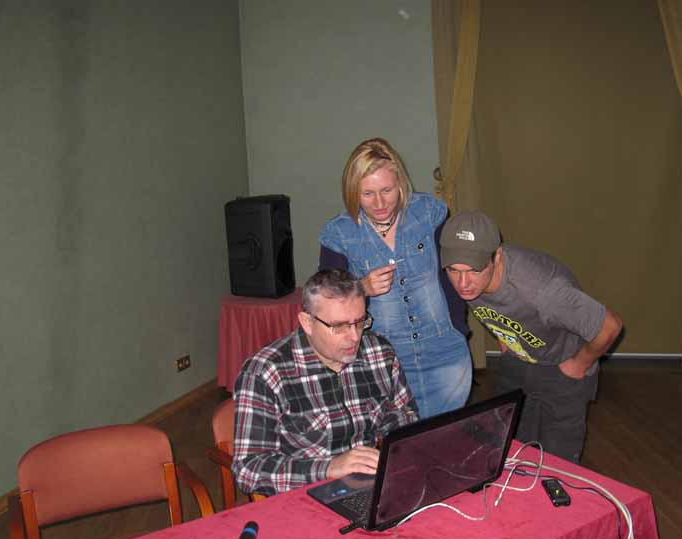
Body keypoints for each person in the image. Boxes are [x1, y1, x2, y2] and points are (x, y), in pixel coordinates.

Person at [439, 210, 623, 463]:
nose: (463, 283)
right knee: (512, 447)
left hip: (562, 366)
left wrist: (579, 364)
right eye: (453, 270)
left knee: (558, 464)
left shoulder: (544, 291)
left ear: (497, 257)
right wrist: (504, 338)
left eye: (474, 270)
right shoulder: (464, 274)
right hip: (519, 359)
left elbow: (610, 326)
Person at [318, 138, 472, 419]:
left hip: (445, 353)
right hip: (383, 363)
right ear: (352, 191)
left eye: (387, 190)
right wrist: (360, 288)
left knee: (445, 435)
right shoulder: (338, 234)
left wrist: (458, 327)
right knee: (400, 441)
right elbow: (325, 300)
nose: (379, 203)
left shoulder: (429, 213)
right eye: (367, 194)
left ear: (400, 182)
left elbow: (453, 274)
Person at [231, 269, 419, 497]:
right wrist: (328, 468)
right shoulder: (265, 373)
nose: (354, 337)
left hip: (371, 486)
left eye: (360, 322)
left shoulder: (379, 352)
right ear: (307, 322)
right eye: (339, 326)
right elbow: (248, 469)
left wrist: (393, 449)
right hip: (304, 495)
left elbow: (404, 414)